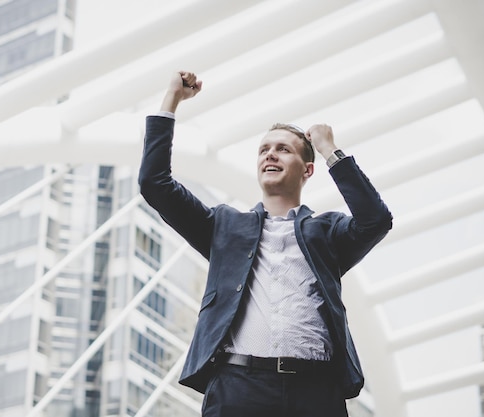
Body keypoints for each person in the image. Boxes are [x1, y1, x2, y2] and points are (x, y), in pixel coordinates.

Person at [138, 71, 393, 417]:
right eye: (264, 150)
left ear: (307, 170)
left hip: (316, 392)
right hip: (238, 387)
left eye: (283, 150)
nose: (270, 155)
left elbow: (375, 220)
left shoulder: (327, 232)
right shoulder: (223, 227)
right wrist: (171, 101)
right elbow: (155, 184)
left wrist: (329, 149)